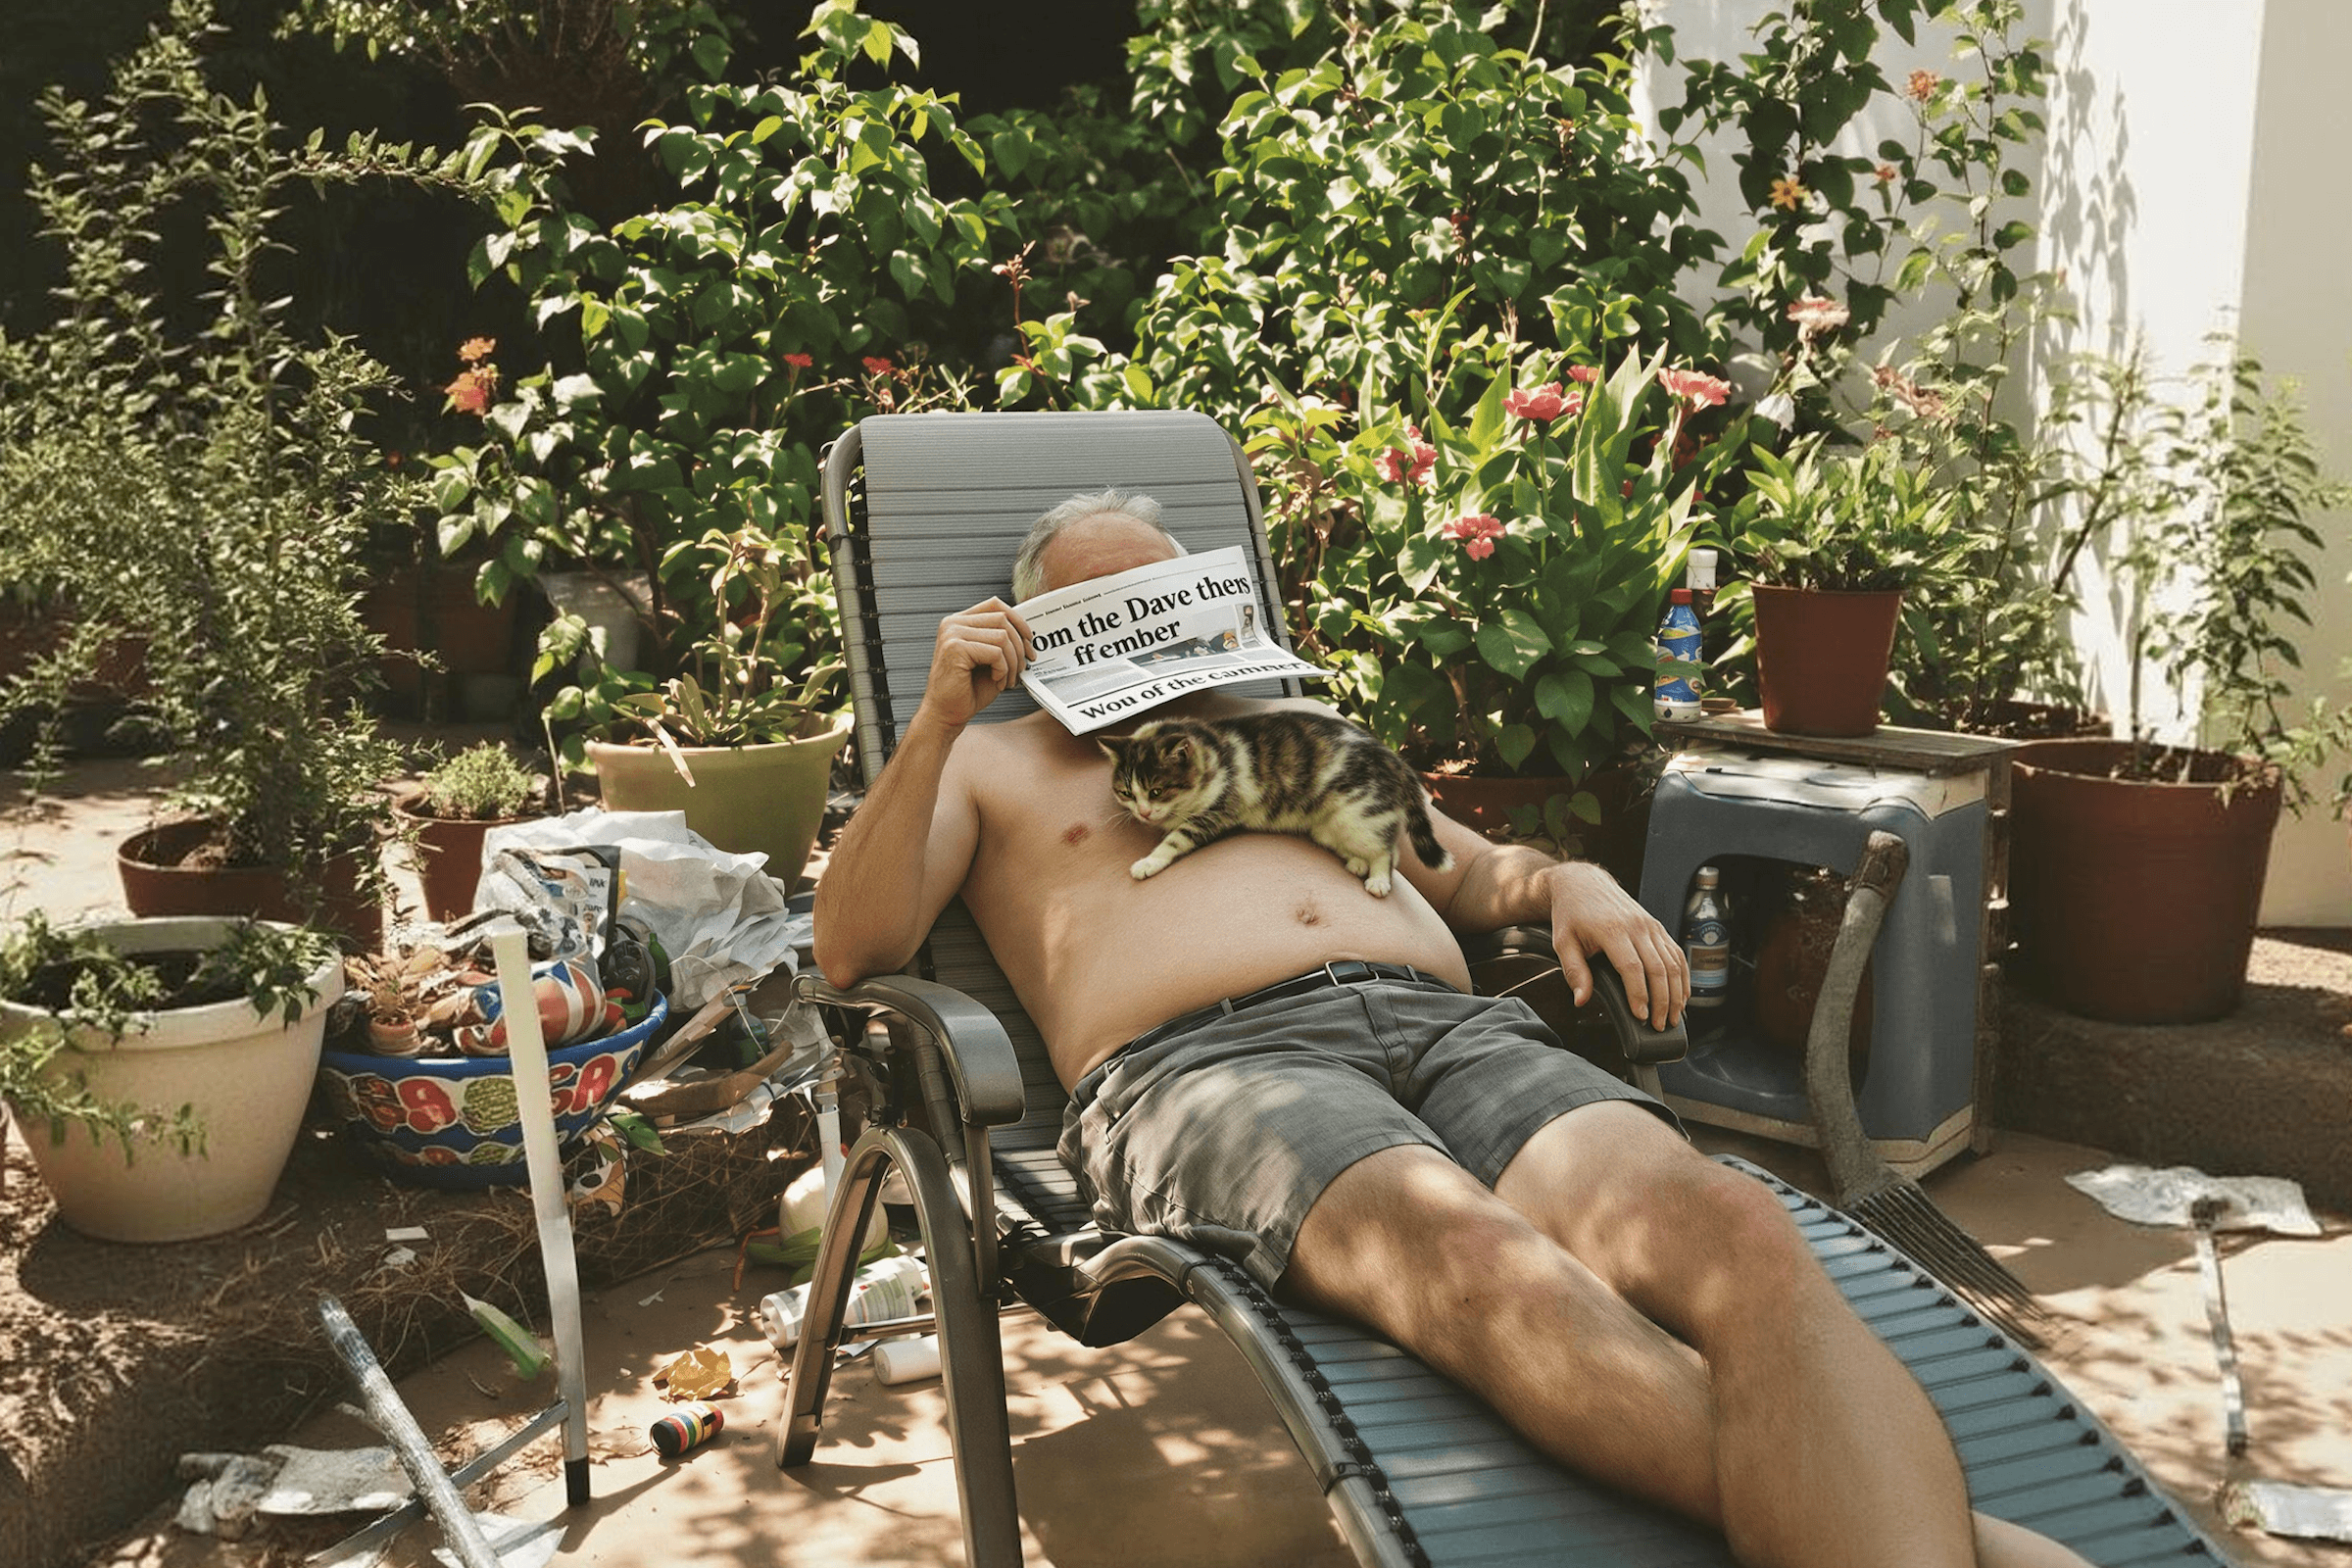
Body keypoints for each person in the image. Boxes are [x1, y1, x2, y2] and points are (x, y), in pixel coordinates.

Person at [815, 490, 2091, 1568]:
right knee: (1484, 1267)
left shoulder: (1304, 732)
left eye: (1164, 596)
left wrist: (1566, 880)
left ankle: (1875, 1522)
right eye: (1094, 613)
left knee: (1740, 1233)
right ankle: (1946, 1541)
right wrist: (933, 720)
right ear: (1034, 640)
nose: (1140, 634)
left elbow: (1473, 875)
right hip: (1207, 1072)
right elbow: (851, 946)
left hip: (1447, 1028)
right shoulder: (989, 763)